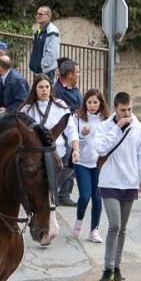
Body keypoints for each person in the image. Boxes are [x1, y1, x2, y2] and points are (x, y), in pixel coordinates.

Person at [95, 91, 141, 281]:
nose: (127, 113)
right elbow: (101, 149)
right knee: (114, 225)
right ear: (115, 109)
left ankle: (117, 267)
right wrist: (117, 128)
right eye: (123, 110)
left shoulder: (139, 128)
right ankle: (107, 268)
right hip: (109, 182)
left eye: (129, 109)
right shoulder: (104, 127)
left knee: (123, 228)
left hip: (129, 183)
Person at [72, 88, 109, 243]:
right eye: (89, 102)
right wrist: (83, 136)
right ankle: (79, 219)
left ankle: (94, 230)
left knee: (97, 198)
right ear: (85, 103)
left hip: (98, 163)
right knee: (85, 195)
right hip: (82, 162)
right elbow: (73, 139)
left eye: (95, 102)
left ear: (100, 103)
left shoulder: (106, 119)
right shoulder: (78, 118)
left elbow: (109, 139)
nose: (92, 105)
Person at [19, 73, 77, 168]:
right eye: (41, 87)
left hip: (57, 154)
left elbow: (71, 130)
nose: (44, 90)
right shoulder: (27, 109)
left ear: (51, 88)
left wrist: (76, 149)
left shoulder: (60, 105)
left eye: (47, 86)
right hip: (35, 157)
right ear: (35, 89)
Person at [52, 58, 82, 205]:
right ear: (70, 74)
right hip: (63, 133)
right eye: (77, 72)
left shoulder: (75, 89)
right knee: (64, 164)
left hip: (75, 131)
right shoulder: (56, 90)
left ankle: (64, 194)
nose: (79, 75)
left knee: (72, 164)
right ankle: (53, 191)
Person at [31, 6, 60, 82]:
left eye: (41, 14)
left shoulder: (52, 31)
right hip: (37, 70)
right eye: (37, 14)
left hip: (46, 72)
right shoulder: (39, 30)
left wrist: (42, 66)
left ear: (48, 16)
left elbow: (52, 53)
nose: (38, 16)